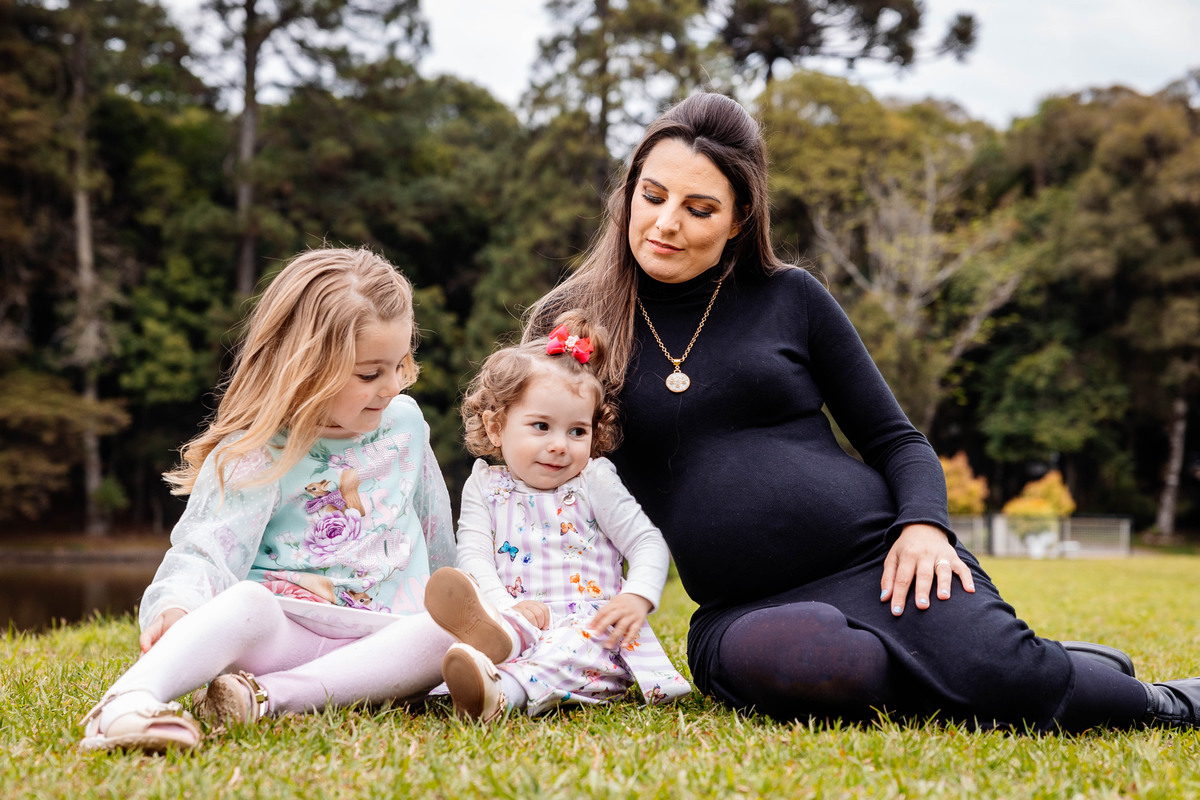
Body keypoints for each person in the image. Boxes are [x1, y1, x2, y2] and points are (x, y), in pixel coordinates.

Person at [522, 91, 1200, 731]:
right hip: (742, 610)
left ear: (739, 221)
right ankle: (1016, 663)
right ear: (630, 191)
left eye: (700, 208)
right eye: (653, 195)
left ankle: (1160, 700)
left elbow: (897, 440)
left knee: (1005, 678)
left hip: (880, 558)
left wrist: (924, 528)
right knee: (832, 667)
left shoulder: (792, 297)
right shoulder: (573, 321)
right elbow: (529, 462)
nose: (667, 222)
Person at [79, 247, 459, 753]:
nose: (390, 387)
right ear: (306, 368)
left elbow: (437, 535)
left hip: (386, 643)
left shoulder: (406, 423)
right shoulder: (257, 451)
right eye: (370, 374)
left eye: (400, 365)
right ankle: (127, 702)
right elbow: (204, 551)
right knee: (247, 603)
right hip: (288, 635)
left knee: (443, 629)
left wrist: (466, 610)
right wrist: (177, 606)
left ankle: (263, 700)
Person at [421, 312, 691, 721]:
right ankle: (494, 647)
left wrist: (636, 596)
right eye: (541, 426)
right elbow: (473, 556)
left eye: (577, 431)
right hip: (513, 619)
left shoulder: (592, 481)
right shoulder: (485, 485)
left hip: (592, 629)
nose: (560, 445)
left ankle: (500, 692)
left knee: (571, 647)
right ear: (497, 427)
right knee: (493, 636)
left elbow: (646, 542)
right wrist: (503, 609)